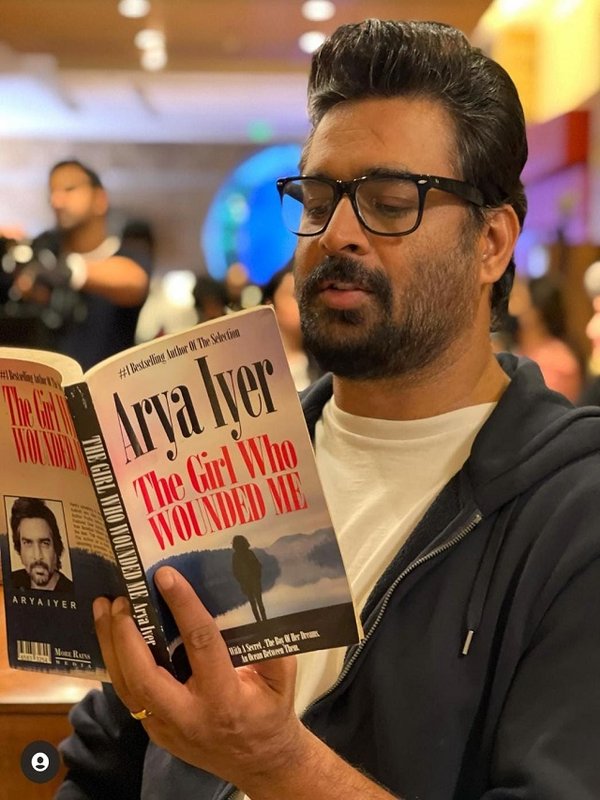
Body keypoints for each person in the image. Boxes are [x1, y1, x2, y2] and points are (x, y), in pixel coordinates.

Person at [57, 20, 600, 800]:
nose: (335, 233)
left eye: (389, 203)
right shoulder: (219, 456)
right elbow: (99, 761)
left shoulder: (573, 513)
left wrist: (275, 763)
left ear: (491, 243)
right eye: (317, 199)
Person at [12, 160, 151, 369]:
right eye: (53, 192)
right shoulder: (44, 251)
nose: (57, 201)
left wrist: (69, 271)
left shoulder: (128, 255)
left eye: (69, 189)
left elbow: (136, 282)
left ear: (99, 199)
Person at [509, 273, 583, 402]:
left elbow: (539, 405)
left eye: (520, 299)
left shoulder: (558, 361)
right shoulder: (522, 348)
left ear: (536, 312)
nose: (512, 307)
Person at [261, 262, 320, 390]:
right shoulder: (260, 366)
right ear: (271, 306)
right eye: (294, 296)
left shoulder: (323, 363)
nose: (302, 303)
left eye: (306, 296)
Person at [10, 497, 73, 592]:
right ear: (19, 549)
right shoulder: (10, 582)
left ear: (56, 548)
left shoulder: (72, 592)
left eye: (45, 543)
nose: (38, 556)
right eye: (28, 543)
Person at [231, 535, 267, 623]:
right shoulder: (248, 552)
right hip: (253, 581)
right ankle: (265, 621)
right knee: (259, 602)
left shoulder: (236, 556)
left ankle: (259, 622)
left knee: (253, 603)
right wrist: (257, 576)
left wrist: (241, 581)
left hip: (246, 582)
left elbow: (235, 572)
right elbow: (257, 565)